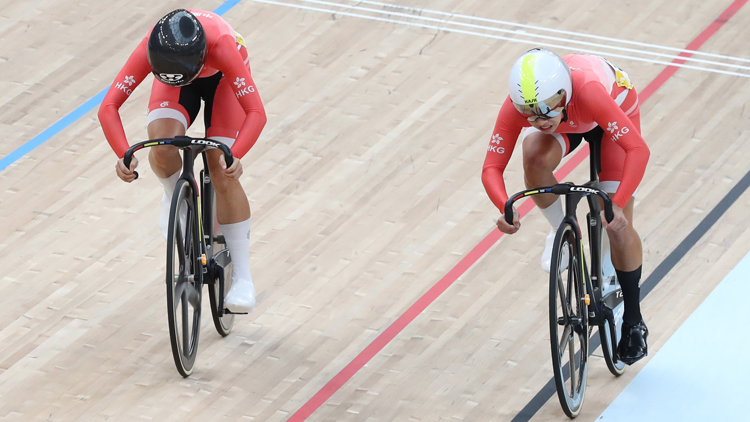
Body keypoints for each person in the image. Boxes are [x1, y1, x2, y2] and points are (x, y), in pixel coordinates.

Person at [481, 48, 649, 364]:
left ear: (563, 94)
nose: (538, 120)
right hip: (570, 122)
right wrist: (505, 206)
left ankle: (634, 320)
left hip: (613, 109)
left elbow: (638, 149)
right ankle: (562, 230)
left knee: (617, 226)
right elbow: (492, 167)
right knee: (533, 158)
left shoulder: (586, 90)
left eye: (546, 110)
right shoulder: (531, 107)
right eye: (530, 114)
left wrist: (618, 203)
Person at [98, 9, 266, 313]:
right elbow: (109, 106)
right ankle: (173, 195)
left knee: (221, 167)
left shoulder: (222, 46)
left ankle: (243, 278)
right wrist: (123, 152)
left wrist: (236, 154)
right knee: (161, 146)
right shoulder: (152, 47)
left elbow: (257, 112)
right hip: (177, 79)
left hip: (222, 82)